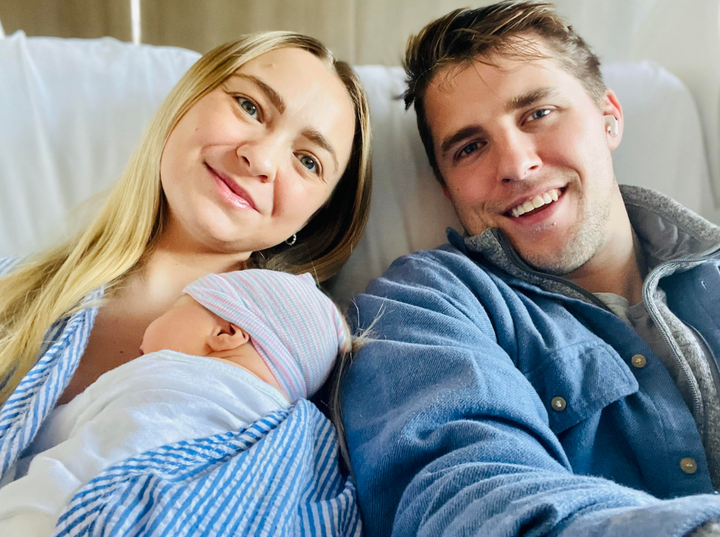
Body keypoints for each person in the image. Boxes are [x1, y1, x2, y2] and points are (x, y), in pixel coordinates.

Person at [340, 2, 720, 536]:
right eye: (471, 147)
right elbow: (467, 497)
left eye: (537, 114)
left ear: (609, 116)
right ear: (447, 189)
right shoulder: (425, 304)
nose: (516, 166)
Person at [0, 31, 371, 534]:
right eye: (249, 106)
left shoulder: (309, 378)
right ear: (187, 100)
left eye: (308, 161)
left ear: (315, 213)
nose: (260, 160)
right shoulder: (10, 289)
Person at [0, 268, 352, 535]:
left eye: (173, 310)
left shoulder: (171, 380)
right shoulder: (298, 440)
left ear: (224, 334)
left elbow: (72, 466)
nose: (149, 326)